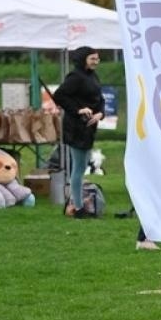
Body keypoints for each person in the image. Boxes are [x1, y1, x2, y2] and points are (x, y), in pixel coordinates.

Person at [53, 47, 104, 216]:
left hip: (89, 126)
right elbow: (59, 95)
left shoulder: (93, 76)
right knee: (78, 166)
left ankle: (78, 203)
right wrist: (78, 110)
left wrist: (100, 114)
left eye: (97, 59)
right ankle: (78, 207)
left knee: (82, 165)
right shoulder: (75, 77)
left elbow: (100, 99)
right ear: (83, 59)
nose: (96, 62)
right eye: (92, 59)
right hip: (76, 127)